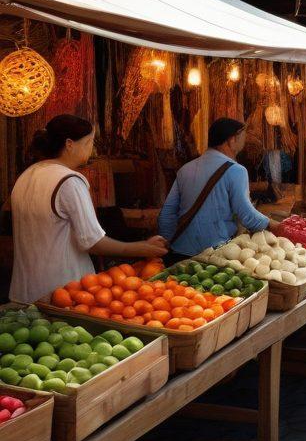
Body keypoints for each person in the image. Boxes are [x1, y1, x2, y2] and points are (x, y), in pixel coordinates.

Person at [10, 115, 167, 302]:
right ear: (69, 144)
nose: (92, 149)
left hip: (23, 291)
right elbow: (93, 242)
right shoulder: (69, 181)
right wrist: (142, 248)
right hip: (63, 294)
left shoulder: (26, 176)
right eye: (89, 142)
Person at [160, 118, 283, 259]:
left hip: (179, 252)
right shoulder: (237, 170)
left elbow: (167, 214)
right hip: (213, 255)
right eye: (242, 136)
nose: (245, 141)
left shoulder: (185, 169)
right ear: (231, 140)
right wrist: (275, 225)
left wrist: (167, 245)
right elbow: (246, 215)